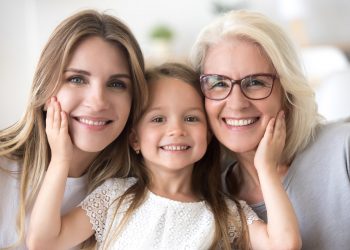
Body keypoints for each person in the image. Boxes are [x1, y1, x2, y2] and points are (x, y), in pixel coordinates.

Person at [27, 62, 300, 250]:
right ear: (135, 138)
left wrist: (264, 167)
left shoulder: (227, 213)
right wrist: (60, 160)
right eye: (158, 119)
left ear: (208, 134)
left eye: (191, 118)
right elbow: (44, 241)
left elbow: (284, 244)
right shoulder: (113, 197)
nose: (176, 130)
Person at [190, 9, 350, 250]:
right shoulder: (211, 200)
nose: (236, 103)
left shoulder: (342, 149)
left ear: (287, 92)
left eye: (255, 82)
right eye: (218, 83)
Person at [0, 9, 147, 249]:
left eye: (117, 84)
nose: (98, 101)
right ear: (46, 88)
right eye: (77, 79)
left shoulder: (131, 190)